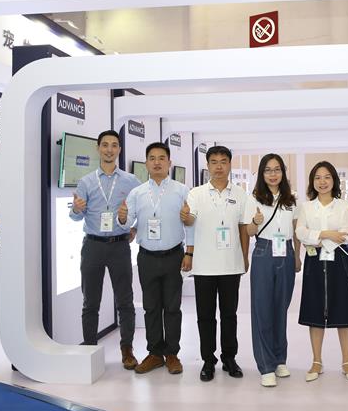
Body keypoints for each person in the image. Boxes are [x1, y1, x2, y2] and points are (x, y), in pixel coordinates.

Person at [118, 142, 193, 375]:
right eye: (152, 158)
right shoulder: (137, 192)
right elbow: (127, 223)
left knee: (172, 308)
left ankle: (172, 354)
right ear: (146, 163)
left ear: (169, 163)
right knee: (151, 307)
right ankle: (154, 354)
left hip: (174, 255)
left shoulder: (182, 190)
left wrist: (189, 253)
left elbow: (190, 223)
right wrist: (122, 218)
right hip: (147, 257)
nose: (157, 162)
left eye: (162, 158)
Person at [69, 129, 141, 370]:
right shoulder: (86, 181)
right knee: (90, 302)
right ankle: (89, 349)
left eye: (114, 145)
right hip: (93, 246)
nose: (109, 149)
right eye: (105, 145)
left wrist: (135, 228)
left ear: (119, 149)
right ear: (98, 148)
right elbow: (75, 216)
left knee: (125, 301)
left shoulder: (131, 181)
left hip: (119, 246)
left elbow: (143, 208)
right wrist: (77, 209)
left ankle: (127, 350)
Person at [182, 146, 250, 382]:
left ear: (230, 164)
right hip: (204, 265)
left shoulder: (240, 194)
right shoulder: (196, 193)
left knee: (229, 315)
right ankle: (208, 360)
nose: (219, 166)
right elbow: (190, 221)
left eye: (223, 161)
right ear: (208, 165)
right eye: (214, 162)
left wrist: (245, 256)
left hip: (231, 264)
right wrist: (185, 218)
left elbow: (244, 227)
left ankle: (229, 358)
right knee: (205, 316)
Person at [296, 161, 348, 383]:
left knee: (344, 311)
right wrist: (326, 234)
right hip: (314, 262)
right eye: (317, 178)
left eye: (327, 177)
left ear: (334, 180)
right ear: (312, 182)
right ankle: (316, 361)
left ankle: (347, 362)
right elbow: (300, 232)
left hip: (339, 261)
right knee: (314, 312)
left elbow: (346, 234)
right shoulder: (306, 207)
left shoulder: (344, 206)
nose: (322, 182)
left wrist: (316, 237)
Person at [244, 154, 302, 387]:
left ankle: (279, 359)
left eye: (277, 169)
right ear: (262, 173)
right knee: (263, 309)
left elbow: (296, 230)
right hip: (264, 252)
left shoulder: (292, 199)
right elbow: (249, 232)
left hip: (286, 252)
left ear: (283, 173)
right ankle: (266, 365)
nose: (273, 174)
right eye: (268, 170)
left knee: (281, 308)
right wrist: (255, 222)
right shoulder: (253, 198)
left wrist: (297, 256)